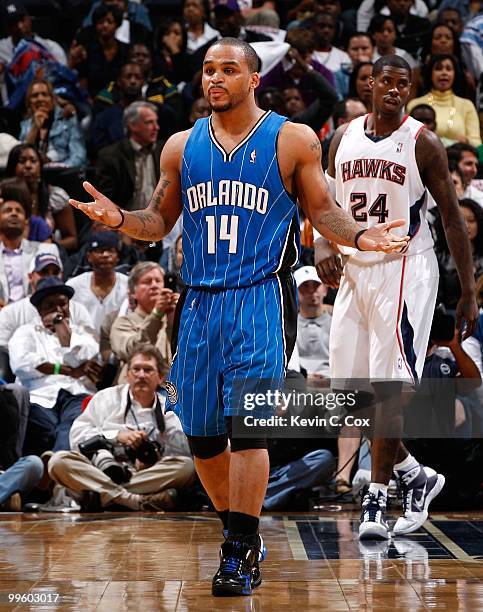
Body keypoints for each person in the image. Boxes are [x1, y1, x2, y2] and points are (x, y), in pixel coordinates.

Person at [70, 37, 409, 597]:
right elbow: (157, 219)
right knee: (203, 438)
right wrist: (121, 220)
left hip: (260, 299)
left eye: (229, 69)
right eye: (208, 70)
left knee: (249, 429)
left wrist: (363, 234)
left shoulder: (292, 138)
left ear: (254, 79)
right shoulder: (180, 146)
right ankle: (242, 533)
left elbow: (323, 210)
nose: (215, 78)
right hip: (199, 301)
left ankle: (238, 548)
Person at [315, 55, 478, 540]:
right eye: (386, 81)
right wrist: (324, 243)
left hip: (406, 267)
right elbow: (323, 202)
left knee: (387, 390)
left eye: (403, 84)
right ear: (369, 83)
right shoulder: (341, 137)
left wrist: (468, 290)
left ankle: (376, 500)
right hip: (356, 267)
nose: (394, 90)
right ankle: (415, 474)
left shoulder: (422, 142)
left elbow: (451, 217)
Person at [48, 344, 195, 512]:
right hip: (100, 470)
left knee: (186, 467)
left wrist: (154, 458)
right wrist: (117, 436)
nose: (141, 375)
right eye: (136, 369)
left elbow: (180, 452)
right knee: (58, 461)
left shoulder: (169, 410)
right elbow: (77, 437)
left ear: (161, 377)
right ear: (127, 374)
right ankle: (134, 501)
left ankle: (100, 496)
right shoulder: (105, 398)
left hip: (143, 476)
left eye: (148, 370)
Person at [8, 277, 100, 456]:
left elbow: (83, 357)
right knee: (48, 429)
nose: (58, 310)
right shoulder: (25, 332)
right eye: (51, 305)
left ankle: (56, 469)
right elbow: (22, 364)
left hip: (76, 394)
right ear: (39, 310)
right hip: (39, 397)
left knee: (73, 425)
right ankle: (56, 469)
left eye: (63, 304)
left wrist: (61, 327)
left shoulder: (81, 334)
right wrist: (66, 370)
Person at [0, 253, 94, 349]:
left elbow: (92, 346)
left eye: (55, 272)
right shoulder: (10, 312)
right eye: (44, 272)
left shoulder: (78, 310)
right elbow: (2, 350)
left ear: (61, 275)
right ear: (30, 277)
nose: (50, 277)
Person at [94, 102, 164, 212]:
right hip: (126, 218)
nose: (157, 127)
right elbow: (106, 199)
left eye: (156, 122)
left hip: (162, 217)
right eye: (149, 122)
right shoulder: (110, 156)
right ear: (132, 125)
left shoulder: (164, 150)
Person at [0, 182, 60, 305]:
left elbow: (54, 287)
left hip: (35, 312)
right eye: (8, 210)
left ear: (26, 220)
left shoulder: (46, 250)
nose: (14, 213)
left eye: (19, 211)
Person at [406, 54, 482, 148]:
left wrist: (466, 141)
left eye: (448, 69)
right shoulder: (414, 104)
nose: (444, 73)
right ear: (430, 74)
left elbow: (477, 143)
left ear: (455, 74)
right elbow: (407, 139)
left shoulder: (467, 105)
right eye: (438, 68)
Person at [66, 232, 128, 335]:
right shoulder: (73, 286)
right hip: (83, 346)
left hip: (118, 345)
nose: (105, 255)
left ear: (118, 257)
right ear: (89, 256)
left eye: (111, 251)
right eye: (100, 251)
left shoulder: (128, 285)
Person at [19, 79, 86, 169]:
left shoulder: (67, 119)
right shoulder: (25, 125)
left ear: (52, 99)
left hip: (63, 174)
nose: (40, 99)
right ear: (29, 101)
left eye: (44, 94)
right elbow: (20, 157)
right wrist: (35, 128)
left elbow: (79, 156)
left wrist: (56, 167)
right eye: (35, 96)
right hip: (34, 175)